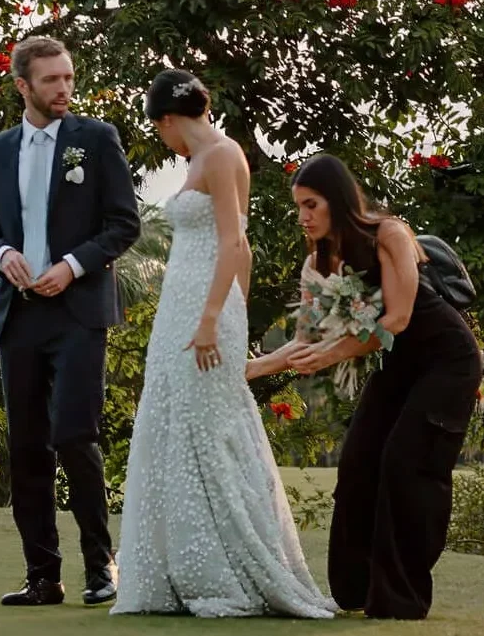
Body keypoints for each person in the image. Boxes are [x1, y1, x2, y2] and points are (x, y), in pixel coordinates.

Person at [110, 69, 337, 619]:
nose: (163, 140)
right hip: (183, 308)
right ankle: (175, 571)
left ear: (167, 120)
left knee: (207, 430)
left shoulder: (220, 154)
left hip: (202, 311)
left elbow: (236, 243)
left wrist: (216, 318)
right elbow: (242, 249)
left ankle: (225, 571)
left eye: (160, 130)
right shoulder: (202, 159)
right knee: (173, 422)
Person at [0, 36, 141, 607]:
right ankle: (42, 577)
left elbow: (123, 224)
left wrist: (70, 267)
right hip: (18, 317)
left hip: (77, 312)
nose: (64, 88)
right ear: (23, 86)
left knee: (75, 436)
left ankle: (101, 567)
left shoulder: (96, 140)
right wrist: (1, 255)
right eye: (51, 80)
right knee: (28, 448)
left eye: (68, 78)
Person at [272, 153, 481, 620]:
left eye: (311, 205)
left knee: (406, 464)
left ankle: (401, 599)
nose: (303, 216)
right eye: (298, 208)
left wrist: (331, 353)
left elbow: (399, 317)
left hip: (447, 361)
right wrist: (244, 370)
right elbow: (303, 341)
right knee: (359, 459)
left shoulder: (390, 234)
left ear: (338, 201)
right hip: (399, 364)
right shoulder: (319, 262)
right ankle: (356, 590)